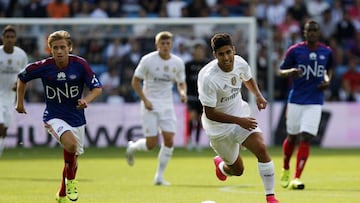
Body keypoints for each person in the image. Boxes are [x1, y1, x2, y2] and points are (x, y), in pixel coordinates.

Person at [15, 30, 102, 203]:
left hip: (77, 118)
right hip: (53, 117)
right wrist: (19, 103)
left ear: (70, 47)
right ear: (50, 49)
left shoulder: (80, 64)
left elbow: (97, 88)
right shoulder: (43, 66)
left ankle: (61, 194)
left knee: (72, 156)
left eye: (63, 47)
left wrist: (87, 100)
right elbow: (22, 77)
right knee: (71, 145)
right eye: (55, 48)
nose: (59, 51)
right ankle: (71, 182)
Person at [197, 33, 279, 203]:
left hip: (240, 115)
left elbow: (248, 78)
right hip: (218, 128)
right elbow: (210, 113)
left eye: (228, 52)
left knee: (261, 148)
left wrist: (257, 95)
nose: (226, 57)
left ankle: (270, 197)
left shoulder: (240, 62)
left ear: (233, 49)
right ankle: (221, 166)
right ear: (215, 55)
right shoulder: (209, 79)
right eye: (221, 54)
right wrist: (238, 121)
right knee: (237, 170)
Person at [126, 31, 187, 186]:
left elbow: (181, 82)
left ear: (171, 44)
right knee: (150, 145)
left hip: (167, 105)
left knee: (169, 140)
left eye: (168, 43)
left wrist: (182, 93)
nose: (165, 46)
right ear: (157, 45)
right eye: (162, 43)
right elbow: (135, 82)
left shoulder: (178, 62)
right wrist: (145, 99)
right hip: (150, 103)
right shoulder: (147, 60)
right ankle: (133, 147)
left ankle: (159, 177)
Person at [278, 19, 333, 190]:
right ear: (305, 33)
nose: (312, 33)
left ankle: (296, 178)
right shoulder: (295, 51)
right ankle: (286, 167)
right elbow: (280, 71)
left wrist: (327, 81)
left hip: (315, 101)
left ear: (319, 33)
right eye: (309, 30)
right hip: (296, 100)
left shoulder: (326, 52)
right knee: (292, 137)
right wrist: (291, 72)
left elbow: (328, 70)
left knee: (306, 136)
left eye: (315, 30)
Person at [0, 25, 28, 157]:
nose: (9, 39)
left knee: (4, 130)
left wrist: (17, 84)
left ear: (15, 39)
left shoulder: (21, 55)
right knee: (0, 125)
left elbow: (24, 76)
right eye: (7, 37)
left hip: (10, 98)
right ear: (2, 38)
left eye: (12, 37)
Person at [185, 43, 208, 151]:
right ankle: (189, 140)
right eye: (197, 51)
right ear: (194, 52)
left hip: (203, 97)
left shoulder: (207, 64)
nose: (199, 53)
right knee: (192, 117)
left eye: (201, 51)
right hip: (191, 96)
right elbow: (183, 80)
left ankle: (197, 142)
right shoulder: (188, 65)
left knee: (199, 119)